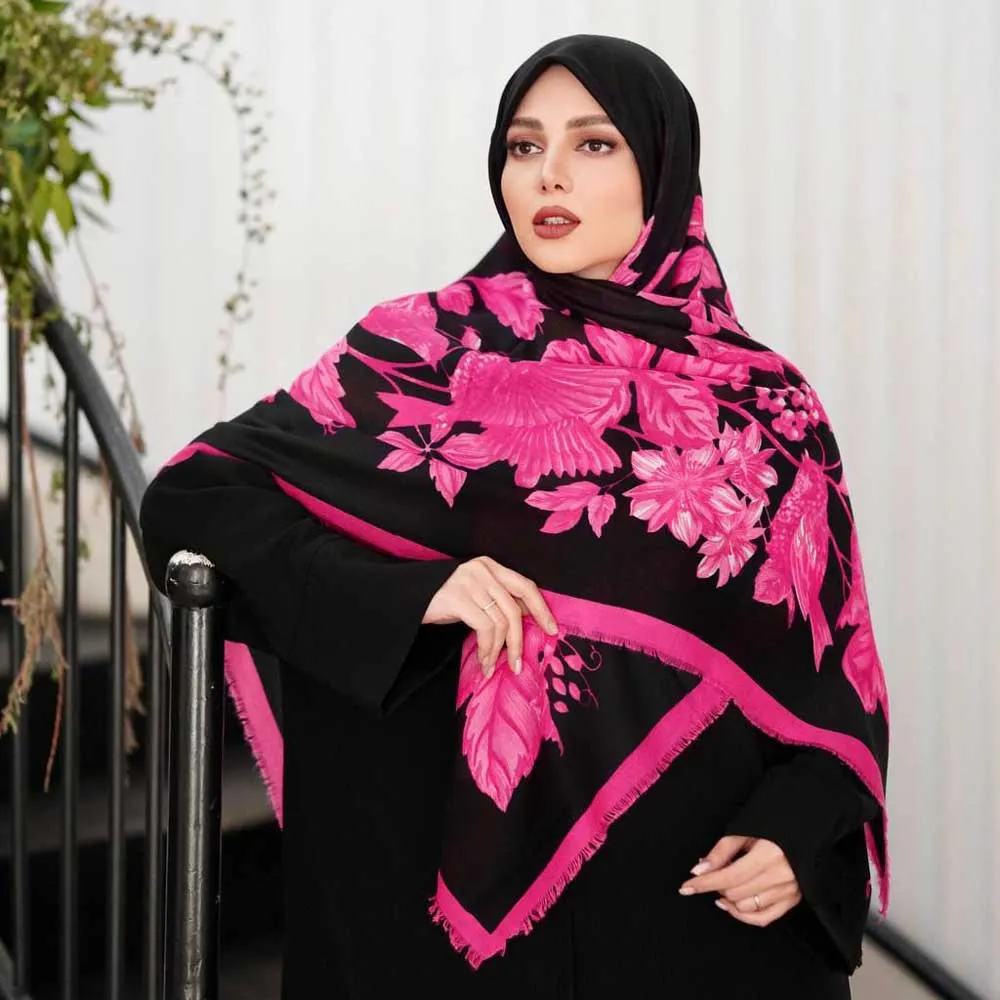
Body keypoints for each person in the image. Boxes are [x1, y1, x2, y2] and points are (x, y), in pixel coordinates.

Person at [140, 34, 890, 1000]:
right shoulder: (419, 351)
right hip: (441, 944)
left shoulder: (767, 405)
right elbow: (195, 496)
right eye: (524, 145)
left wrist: (801, 837)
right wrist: (414, 591)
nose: (549, 174)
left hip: (689, 924)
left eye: (594, 144)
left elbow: (832, 679)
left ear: (665, 173)